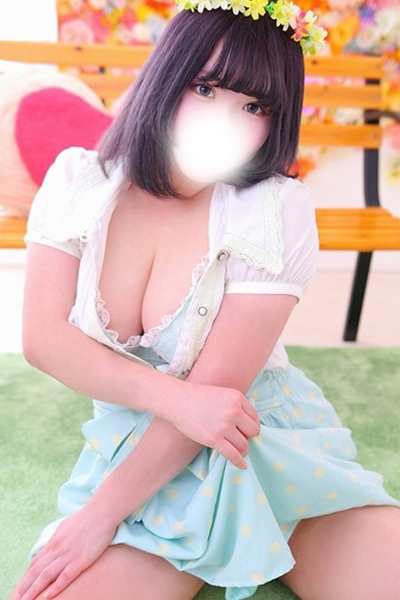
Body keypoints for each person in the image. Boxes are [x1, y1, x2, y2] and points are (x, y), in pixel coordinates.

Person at [11, 3, 400, 600]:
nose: (225, 120)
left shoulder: (274, 209)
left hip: (263, 450)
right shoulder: (79, 180)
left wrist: (101, 514)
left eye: (254, 106)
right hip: (135, 464)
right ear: (168, 75)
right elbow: (43, 339)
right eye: (205, 87)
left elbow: (219, 399)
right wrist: (106, 508)